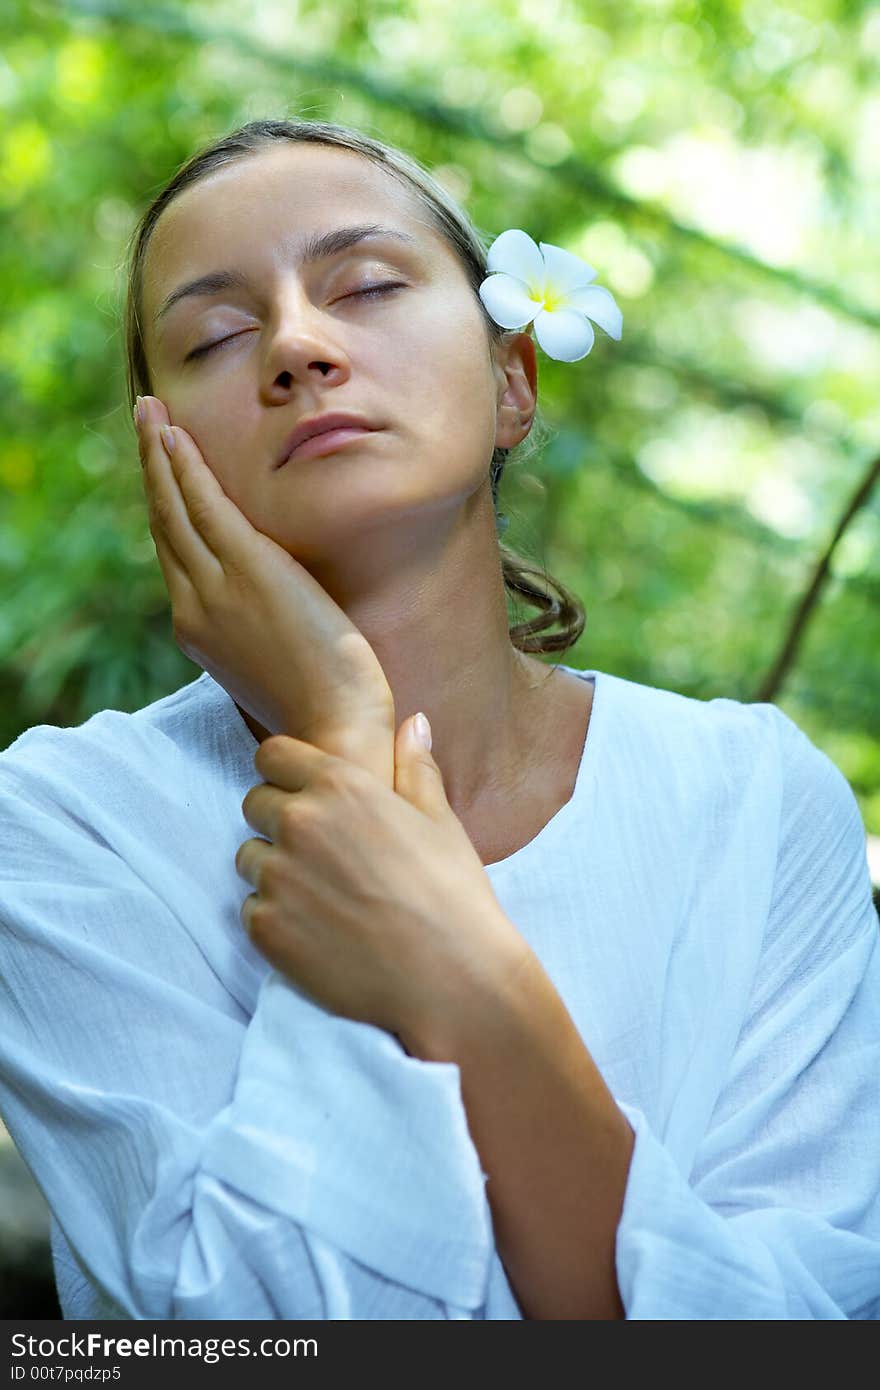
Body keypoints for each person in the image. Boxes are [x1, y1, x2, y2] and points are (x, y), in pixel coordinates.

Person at [0, 117, 878, 1321]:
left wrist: (459, 973)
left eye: (362, 285)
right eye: (216, 334)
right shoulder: (58, 823)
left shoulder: (753, 796)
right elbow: (243, 1329)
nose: (299, 346)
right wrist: (341, 736)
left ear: (512, 378)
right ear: (166, 452)